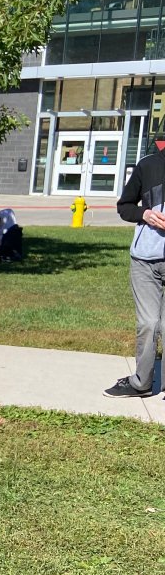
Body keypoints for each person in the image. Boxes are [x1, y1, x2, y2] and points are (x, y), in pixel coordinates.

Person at [104, 139, 165, 399]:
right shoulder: (148, 165)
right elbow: (124, 207)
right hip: (145, 261)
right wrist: (145, 214)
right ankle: (140, 383)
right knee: (149, 323)